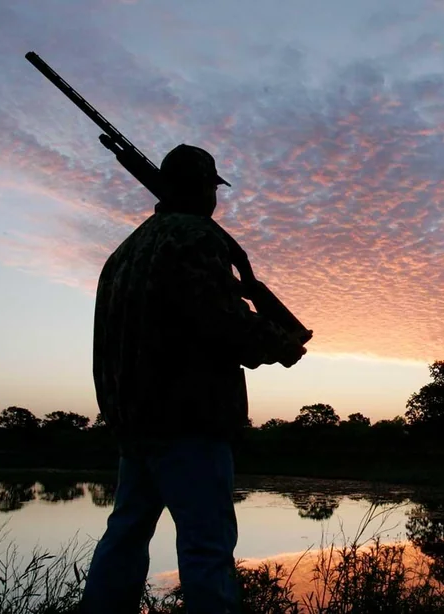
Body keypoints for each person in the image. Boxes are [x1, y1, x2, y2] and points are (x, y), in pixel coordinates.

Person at [81, 144, 307, 614]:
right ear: (205, 188)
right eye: (212, 188)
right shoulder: (195, 238)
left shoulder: (125, 251)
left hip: (134, 426)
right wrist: (277, 344)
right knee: (207, 552)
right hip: (190, 423)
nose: (214, 198)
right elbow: (221, 321)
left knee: (123, 540)